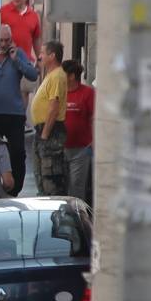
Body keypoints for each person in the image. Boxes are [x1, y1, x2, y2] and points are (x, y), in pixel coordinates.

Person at [0, 24, 38, 195]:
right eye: (0, 40)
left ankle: (15, 189)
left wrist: (16, 61)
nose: (3, 44)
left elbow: (33, 74)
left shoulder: (18, 54)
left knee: (18, 152)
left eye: (7, 40)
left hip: (14, 113)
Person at [30, 40, 70, 196]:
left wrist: (45, 134)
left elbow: (54, 107)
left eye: (42, 53)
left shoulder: (57, 76)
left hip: (51, 131)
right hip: (43, 129)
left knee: (50, 175)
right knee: (41, 174)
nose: (39, 56)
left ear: (52, 56)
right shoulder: (50, 76)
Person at [63, 59, 95, 203]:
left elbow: (95, 117)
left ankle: (77, 219)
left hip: (81, 149)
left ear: (71, 76)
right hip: (60, 148)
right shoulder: (58, 92)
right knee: (61, 187)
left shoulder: (87, 93)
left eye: (62, 74)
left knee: (77, 188)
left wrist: (94, 142)